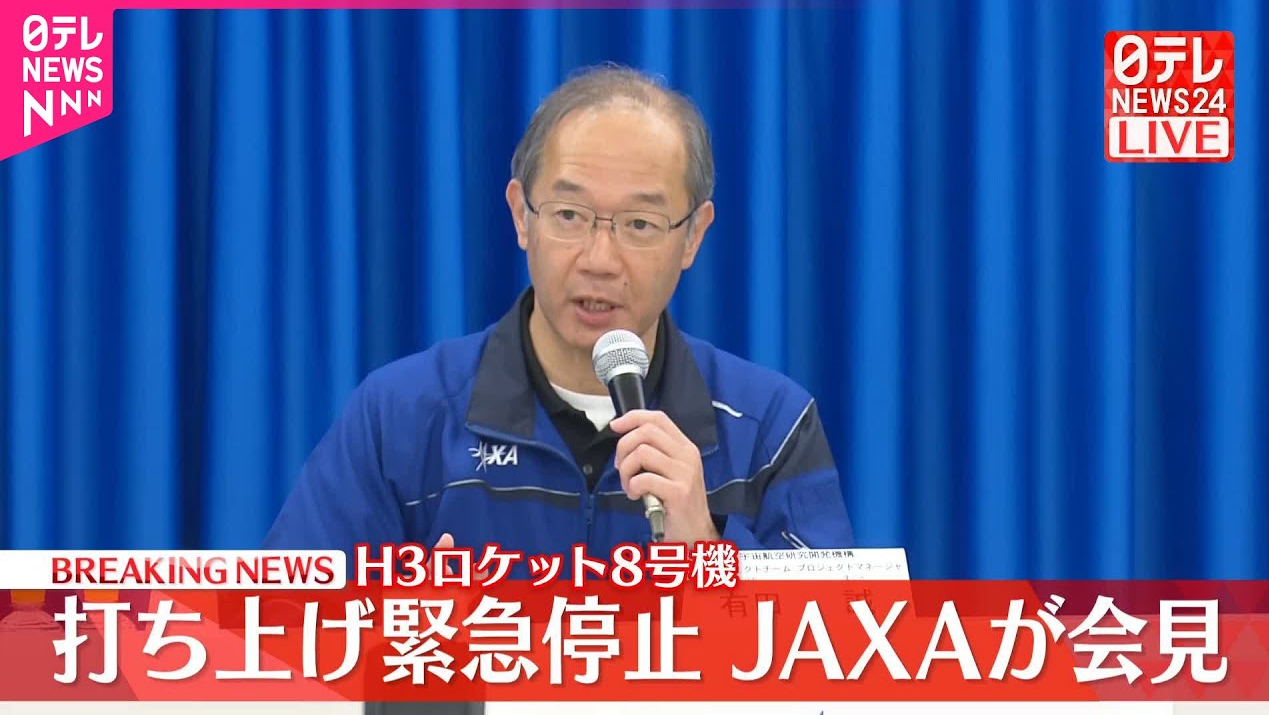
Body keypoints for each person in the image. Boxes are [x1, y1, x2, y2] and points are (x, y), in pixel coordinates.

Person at [264, 64, 854, 561]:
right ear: (522, 216)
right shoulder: (402, 416)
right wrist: (405, 631)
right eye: (569, 216)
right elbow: (274, 631)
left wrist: (707, 548)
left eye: (640, 224)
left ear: (693, 236)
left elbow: (840, 646)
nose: (600, 260)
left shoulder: (768, 426)